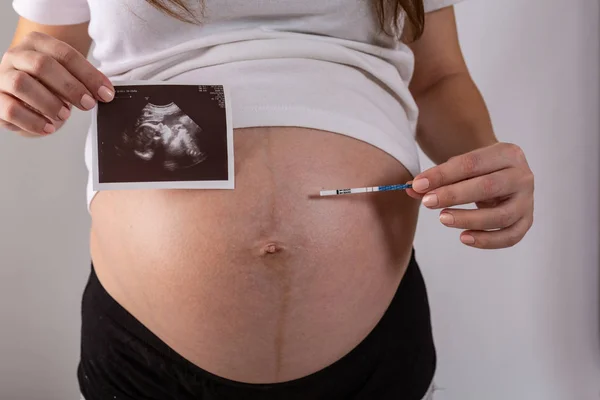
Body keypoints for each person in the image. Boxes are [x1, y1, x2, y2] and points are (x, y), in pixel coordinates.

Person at [1, 0, 535, 399]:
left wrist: (485, 165)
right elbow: (36, 56)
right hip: (150, 356)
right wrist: (20, 88)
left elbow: (438, 75)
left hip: (372, 351)